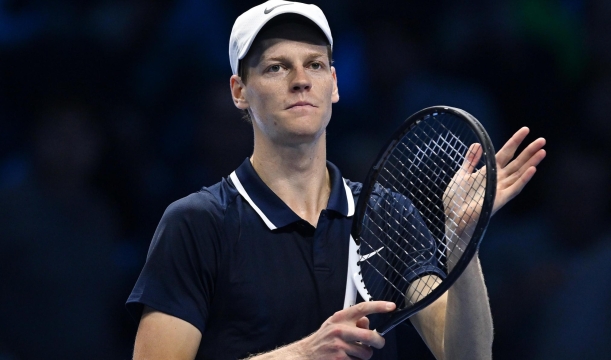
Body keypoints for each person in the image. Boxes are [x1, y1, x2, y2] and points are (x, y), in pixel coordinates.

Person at [126, 1, 546, 359]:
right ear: (239, 91)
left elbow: (466, 355)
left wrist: (461, 241)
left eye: (315, 64)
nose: (301, 80)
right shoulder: (196, 223)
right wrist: (303, 353)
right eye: (276, 67)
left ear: (335, 84)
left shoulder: (388, 214)